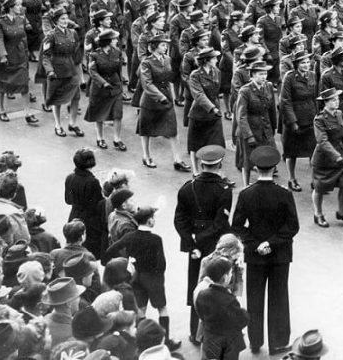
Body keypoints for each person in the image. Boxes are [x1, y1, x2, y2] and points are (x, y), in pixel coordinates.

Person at [231, 145, 300, 355]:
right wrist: (271, 242)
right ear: (274, 167)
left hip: (254, 256)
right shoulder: (284, 194)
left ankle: (255, 341)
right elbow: (292, 226)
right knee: (279, 298)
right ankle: (278, 341)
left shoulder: (246, 194)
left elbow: (237, 226)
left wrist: (255, 244)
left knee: (254, 298)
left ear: (255, 168)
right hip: (280, 255)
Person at [173, 144, 234, 343]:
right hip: (216, 245)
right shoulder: (224, 190)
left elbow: (179, 219)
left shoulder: (187, 187)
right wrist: (201, 239)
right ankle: (215, 331)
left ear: (201, 163)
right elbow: (220, 223)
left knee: (196, 286)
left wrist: (191, 240)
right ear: (220, 163)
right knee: (219, 285)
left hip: (195, 247)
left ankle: (194, 332)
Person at [103, 205, 179, 351]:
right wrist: (158, 275)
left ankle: (142, 342)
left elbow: (110, 250)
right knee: (162, 308)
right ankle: (166, 340)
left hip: (135, 276)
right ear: (149, 221)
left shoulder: (130, 236)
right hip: (153, 278)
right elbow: (162, 263)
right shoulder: (156, 239)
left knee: (141, 310)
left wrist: (126, 262)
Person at [138, 35, 190, 172]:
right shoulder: (146, 62)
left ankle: (177, 160)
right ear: (154, 47)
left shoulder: (167, 59)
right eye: (162, 45)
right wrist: (160, 97)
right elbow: (147, 84)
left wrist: (171, 96)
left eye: (166, 45)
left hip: (166, 100)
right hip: (151, 101)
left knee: (172, 130)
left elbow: (169, 79)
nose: (165, 47)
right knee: (146, 130)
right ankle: (146, 156)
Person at [310, 87, 343, 228]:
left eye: (337, 99)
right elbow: (322, 141)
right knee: (320, 188)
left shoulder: (339, 114)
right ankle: (318, 214)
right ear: (325, 103)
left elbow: (342, 134)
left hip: (340, 154)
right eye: (332, 100)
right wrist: (336, 156)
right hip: (324, 159)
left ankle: (341, 212)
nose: (336, 102)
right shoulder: (319, 119)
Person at [193, 255, 250, 360]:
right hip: (228, 343)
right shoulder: (229, 300)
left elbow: (200, 312)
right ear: (225, 278)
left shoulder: (202, 294)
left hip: (210, 338)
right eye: (230, 273)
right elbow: (242, 319)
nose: (231, 275)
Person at [279, 50, 318, 192]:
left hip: (310, 117)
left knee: (313, 151)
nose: (306, 65)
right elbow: (285, 101)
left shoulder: (312, 75)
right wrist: (293, 122)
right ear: (296, 64)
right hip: (294, 119)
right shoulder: (289, 78)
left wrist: (317, 116)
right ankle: (291, 179)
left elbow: (316, 97)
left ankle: (314, 180)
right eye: (303, 62)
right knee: (292, 152)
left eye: (308, 62)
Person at [43, 7, 83, 137]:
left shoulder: (72, 33)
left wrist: (78, 64)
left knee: (76, 96)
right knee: (57, 99)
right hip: (57, 70)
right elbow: (45, 56)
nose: (65, 21)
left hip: (71, 68)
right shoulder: (51, 36)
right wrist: (49, 71)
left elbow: (76, 50)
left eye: (66, 18)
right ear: (55, 21)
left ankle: (72, 123)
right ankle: (58, 125)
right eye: (62, 19)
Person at [85, 27, 127, 150]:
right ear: (108, 41)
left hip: (115, 86)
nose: (116, 41)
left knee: (118, 113)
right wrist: (103, 83)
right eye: (114, 39)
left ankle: (117, 139)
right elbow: (92, 72)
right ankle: (100, 138)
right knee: (99, 113)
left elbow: (119, 70)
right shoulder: (94, 55)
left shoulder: (117, 52)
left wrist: (120, 86)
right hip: (99, 88)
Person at [0, 0, 33, 124]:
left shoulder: (21, 19)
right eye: (17, 5)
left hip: (20, 55)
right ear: (10, 7)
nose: (20, 7)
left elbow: (24, 38)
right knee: (3, 84)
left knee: (24, 84)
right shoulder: (0, 22)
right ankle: (1, 110)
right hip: (6, 57)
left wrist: (26, 53)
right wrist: (3, 56)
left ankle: (27, 113)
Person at [64, 148, 105, 257]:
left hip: (74, 215)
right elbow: (98, 205)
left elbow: (68, 200)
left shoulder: (70, 177)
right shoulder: (92, 181)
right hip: (90, 222)